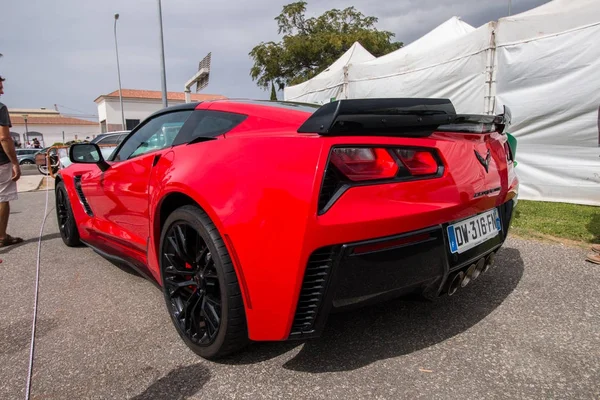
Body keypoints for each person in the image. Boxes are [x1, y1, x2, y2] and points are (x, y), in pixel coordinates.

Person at [0, 75, 23, 247]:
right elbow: (4, 138)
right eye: (0, 87)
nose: (2, 90)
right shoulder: (1, 108)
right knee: (2, 198)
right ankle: (2, 237)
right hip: (1, 162)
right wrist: (15, 162)